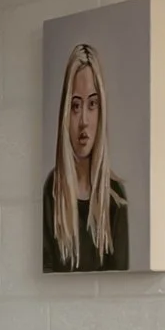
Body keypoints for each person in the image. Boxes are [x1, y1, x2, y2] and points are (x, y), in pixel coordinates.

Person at [43, 42, 130, 271]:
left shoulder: (115, 198)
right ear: (65, 114)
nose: (83, 120)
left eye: (92, 104)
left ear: (101, 110)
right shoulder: (52, 190)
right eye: (75, 106)